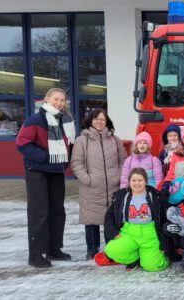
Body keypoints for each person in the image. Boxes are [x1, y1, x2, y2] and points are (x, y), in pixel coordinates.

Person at [16, 87, 75, 267]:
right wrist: (45, 157)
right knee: (39, 212)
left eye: (62, 100)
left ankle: (53, 248)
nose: (59, 103)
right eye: (56, 99)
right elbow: (22, 144)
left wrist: (64, 162)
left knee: (57, 211)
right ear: (46, 100)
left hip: (56, 170)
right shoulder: (35, 120)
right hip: (37, 170)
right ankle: (35, 254)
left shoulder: (65, 120)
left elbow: (69, 144)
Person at [71, 108, 127, 260]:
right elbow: (76, 163)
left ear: (107, 122)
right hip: (91, 187)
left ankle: (112, 248)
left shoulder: (115, 140)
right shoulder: (82, 140)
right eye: (96, 119)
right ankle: (92, 249)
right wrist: (88, 179)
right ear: (90, 121)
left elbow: (123, 161)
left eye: (102, 119)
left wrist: (118, 175)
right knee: (91, 220)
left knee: (112, 219)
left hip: (112, 186)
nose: (99, 122)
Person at [104, 168, 169, 272]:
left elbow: (166, 213)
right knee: (111, 250)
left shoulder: (156, 196)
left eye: (140, 180)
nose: (137, 183)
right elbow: (109, 217)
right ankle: (134, 259)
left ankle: (153, 257)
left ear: (146, 181)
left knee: (153, 266)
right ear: (129, 182)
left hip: (150, 233)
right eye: (133, 180)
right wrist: (114, 233)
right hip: (129, 232)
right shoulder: (121, 197)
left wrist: (165, 235)